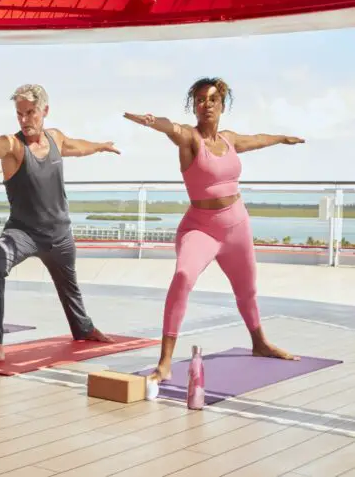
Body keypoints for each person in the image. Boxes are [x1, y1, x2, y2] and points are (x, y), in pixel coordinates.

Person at [124, 77, 303, 384]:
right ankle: (165, 362)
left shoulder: (231, 139)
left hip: (237, 227)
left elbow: (257, 139)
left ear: (222, 105)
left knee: (247, 292)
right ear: (194, 106)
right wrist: (155, 123)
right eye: (200, 100)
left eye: (212, 100)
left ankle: (259, 342)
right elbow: (173, 128)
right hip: (201, 229)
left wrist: (281, 138)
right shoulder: (191, 140)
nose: (206, 105)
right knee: (182, 276)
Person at [0, 84, 118, 362]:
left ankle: (83, 328)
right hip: (22, 233)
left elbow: (77, 146)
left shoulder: (56, 139)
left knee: (69, 287)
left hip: (60, 234)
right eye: (19, 114)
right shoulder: (14, 147)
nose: (24, 120)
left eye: (30, 113)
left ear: (44, 111)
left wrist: (100, 146)